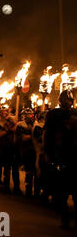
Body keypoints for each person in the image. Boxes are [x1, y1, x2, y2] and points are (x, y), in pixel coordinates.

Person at [44, 90, 77, 229]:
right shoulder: (53, 114)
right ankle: (65, 218)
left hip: (73, 156)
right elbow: (48, 135)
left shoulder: (75, 114)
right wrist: (48, 153)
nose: (67, 103)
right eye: (65, 100)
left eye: (69, 100)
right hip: (62, 155)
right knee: (62, 189)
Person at [15, 108, 37, 197]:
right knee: (29, 171)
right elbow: (23, 138)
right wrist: (33, 135)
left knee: (36, 171)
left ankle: (36, 191)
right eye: (28, 114)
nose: (30, 116)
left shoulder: (35, 124)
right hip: (25, 150)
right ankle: (28, 190)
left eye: (31, 114)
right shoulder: (21, 125)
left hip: (35, 150)